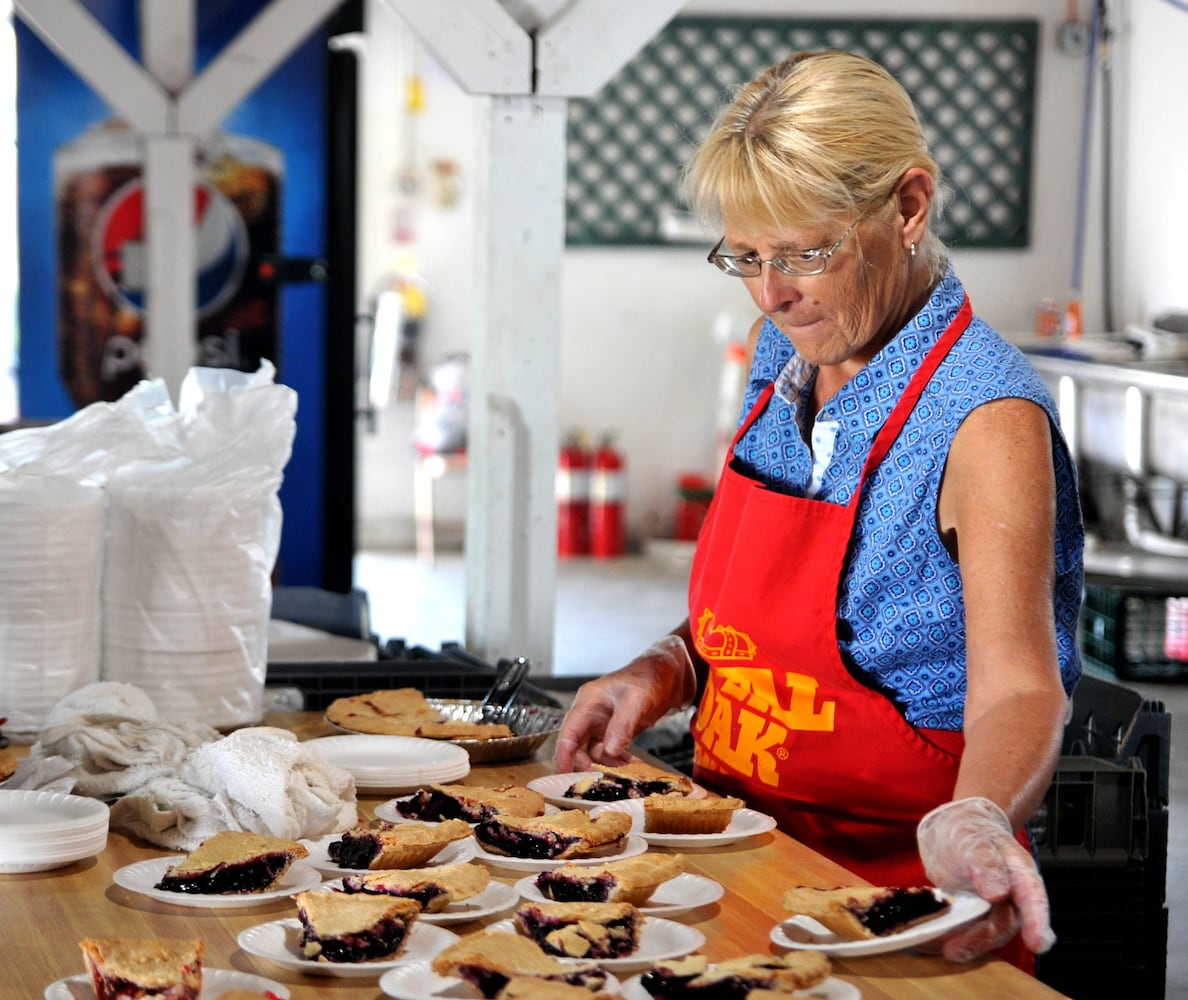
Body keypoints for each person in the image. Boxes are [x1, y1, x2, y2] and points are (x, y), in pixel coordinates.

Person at [554, 50, 1084, 974]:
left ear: (909, 207)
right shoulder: (782, 353)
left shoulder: (984, 418)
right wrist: (668, 666)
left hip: (892, 903)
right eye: (747, 258)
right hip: (729, 855)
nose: (771, 294)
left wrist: (980, 819)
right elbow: (768, 611)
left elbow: (1021, 685)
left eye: (804, 253)